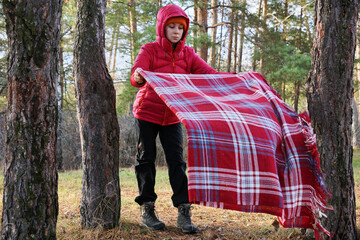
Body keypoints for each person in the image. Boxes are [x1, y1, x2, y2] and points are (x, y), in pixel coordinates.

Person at [130, 4, 227, 234]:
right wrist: (138, 76)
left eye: (180, 28)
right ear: (162, 28)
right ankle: (147, 208)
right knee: (146, 159)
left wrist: (230, 80)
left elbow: (209, 74)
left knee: (177, 163)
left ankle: (184, 211)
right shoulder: (150, 50)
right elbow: (137, 74)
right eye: (171, 26)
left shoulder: (188, 54)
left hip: (172, 117)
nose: (176, 31)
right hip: (147, 112)